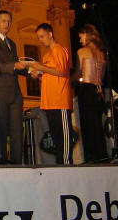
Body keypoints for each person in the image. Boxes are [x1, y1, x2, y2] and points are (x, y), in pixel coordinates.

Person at [29, 23, 73, 165]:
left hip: (60, 100)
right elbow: (49, 76)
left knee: (64, 137)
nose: (40, 40)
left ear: (50, 34)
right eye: (38, 37)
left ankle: (66, 164)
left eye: (42, 36)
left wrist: (41, 67)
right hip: (49, 102)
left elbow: (62, 72)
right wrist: (38, 75)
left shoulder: (59, 50)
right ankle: (60, 164)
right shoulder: (47, 55)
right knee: (56, 137)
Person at [0, 10, 27, 164]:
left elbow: (16, 66)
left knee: (17, 131)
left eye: (9, 21)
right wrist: (14, 65)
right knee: (1, 131)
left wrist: (31, 71)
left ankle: (17, 163)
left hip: (15, 92)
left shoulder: (12, 43)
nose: (7, 24)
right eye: (3, 20)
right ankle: (2, 163)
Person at [75, 24, 107, 162]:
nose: (80, 40)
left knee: (87, 124)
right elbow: (101, 77)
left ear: (87, 35)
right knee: (97, 124)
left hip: (87, 90)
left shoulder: (82, 51)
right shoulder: (102, 54)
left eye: (81, 36)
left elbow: (77, 74)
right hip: (98, 91)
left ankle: (92, 157)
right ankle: (102, 156)